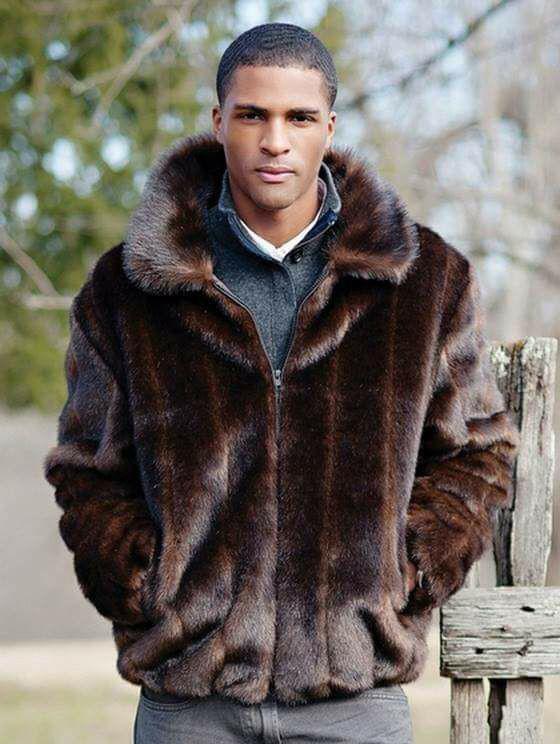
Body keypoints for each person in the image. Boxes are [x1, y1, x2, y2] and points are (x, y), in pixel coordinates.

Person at [43, 21, 520, 744]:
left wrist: (408, 571)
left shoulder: (425, 282)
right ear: (218, 122)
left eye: (298, 117)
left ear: (329, 127)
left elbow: (477, 454)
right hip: (190, 702)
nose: (275, 141)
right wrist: (144, 582)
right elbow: (87, 470)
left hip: (355, 702)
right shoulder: (128, 289)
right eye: (253, 115)